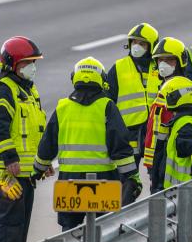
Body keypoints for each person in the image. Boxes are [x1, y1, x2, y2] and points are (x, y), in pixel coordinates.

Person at [34, 57, 139, 229]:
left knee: (69, 233)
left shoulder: (63, 107)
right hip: (103, 179)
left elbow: (47, 144)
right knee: (105, 230)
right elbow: (119, 144)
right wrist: (132, 176)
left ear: (74, 77)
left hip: (69, 179)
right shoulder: (107, 106)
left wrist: (37, 170)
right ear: (102, 80)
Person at [0, 36, 49, 242]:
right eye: (28, 62)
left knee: (20, 226)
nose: (33, 67)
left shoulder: (29, 91)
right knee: (10, 226)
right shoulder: (4, 90)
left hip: (27, 173)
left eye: (34, 62)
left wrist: (43, 161)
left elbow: (36, 130)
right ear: (14, 65)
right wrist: (10, 158)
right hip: (8, 173)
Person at [104, 23, 161, 200]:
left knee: (159, 179)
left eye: (142, 43)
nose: (136, 47)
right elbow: (107, 102)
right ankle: (121, 222)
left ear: (151, 46)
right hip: (128, 136)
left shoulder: (160, 66)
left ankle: (159, 217)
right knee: (127, 183)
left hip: (156, 134)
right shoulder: (119, 68)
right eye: (134, 42)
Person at [143, 37, 189, 191]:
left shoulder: (181, 89)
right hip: (157, 158)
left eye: (169, 60)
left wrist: (159, 162)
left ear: (180, 62)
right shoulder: (164, 87)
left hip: (169, 160)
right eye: (160, 60)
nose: (163, 65)